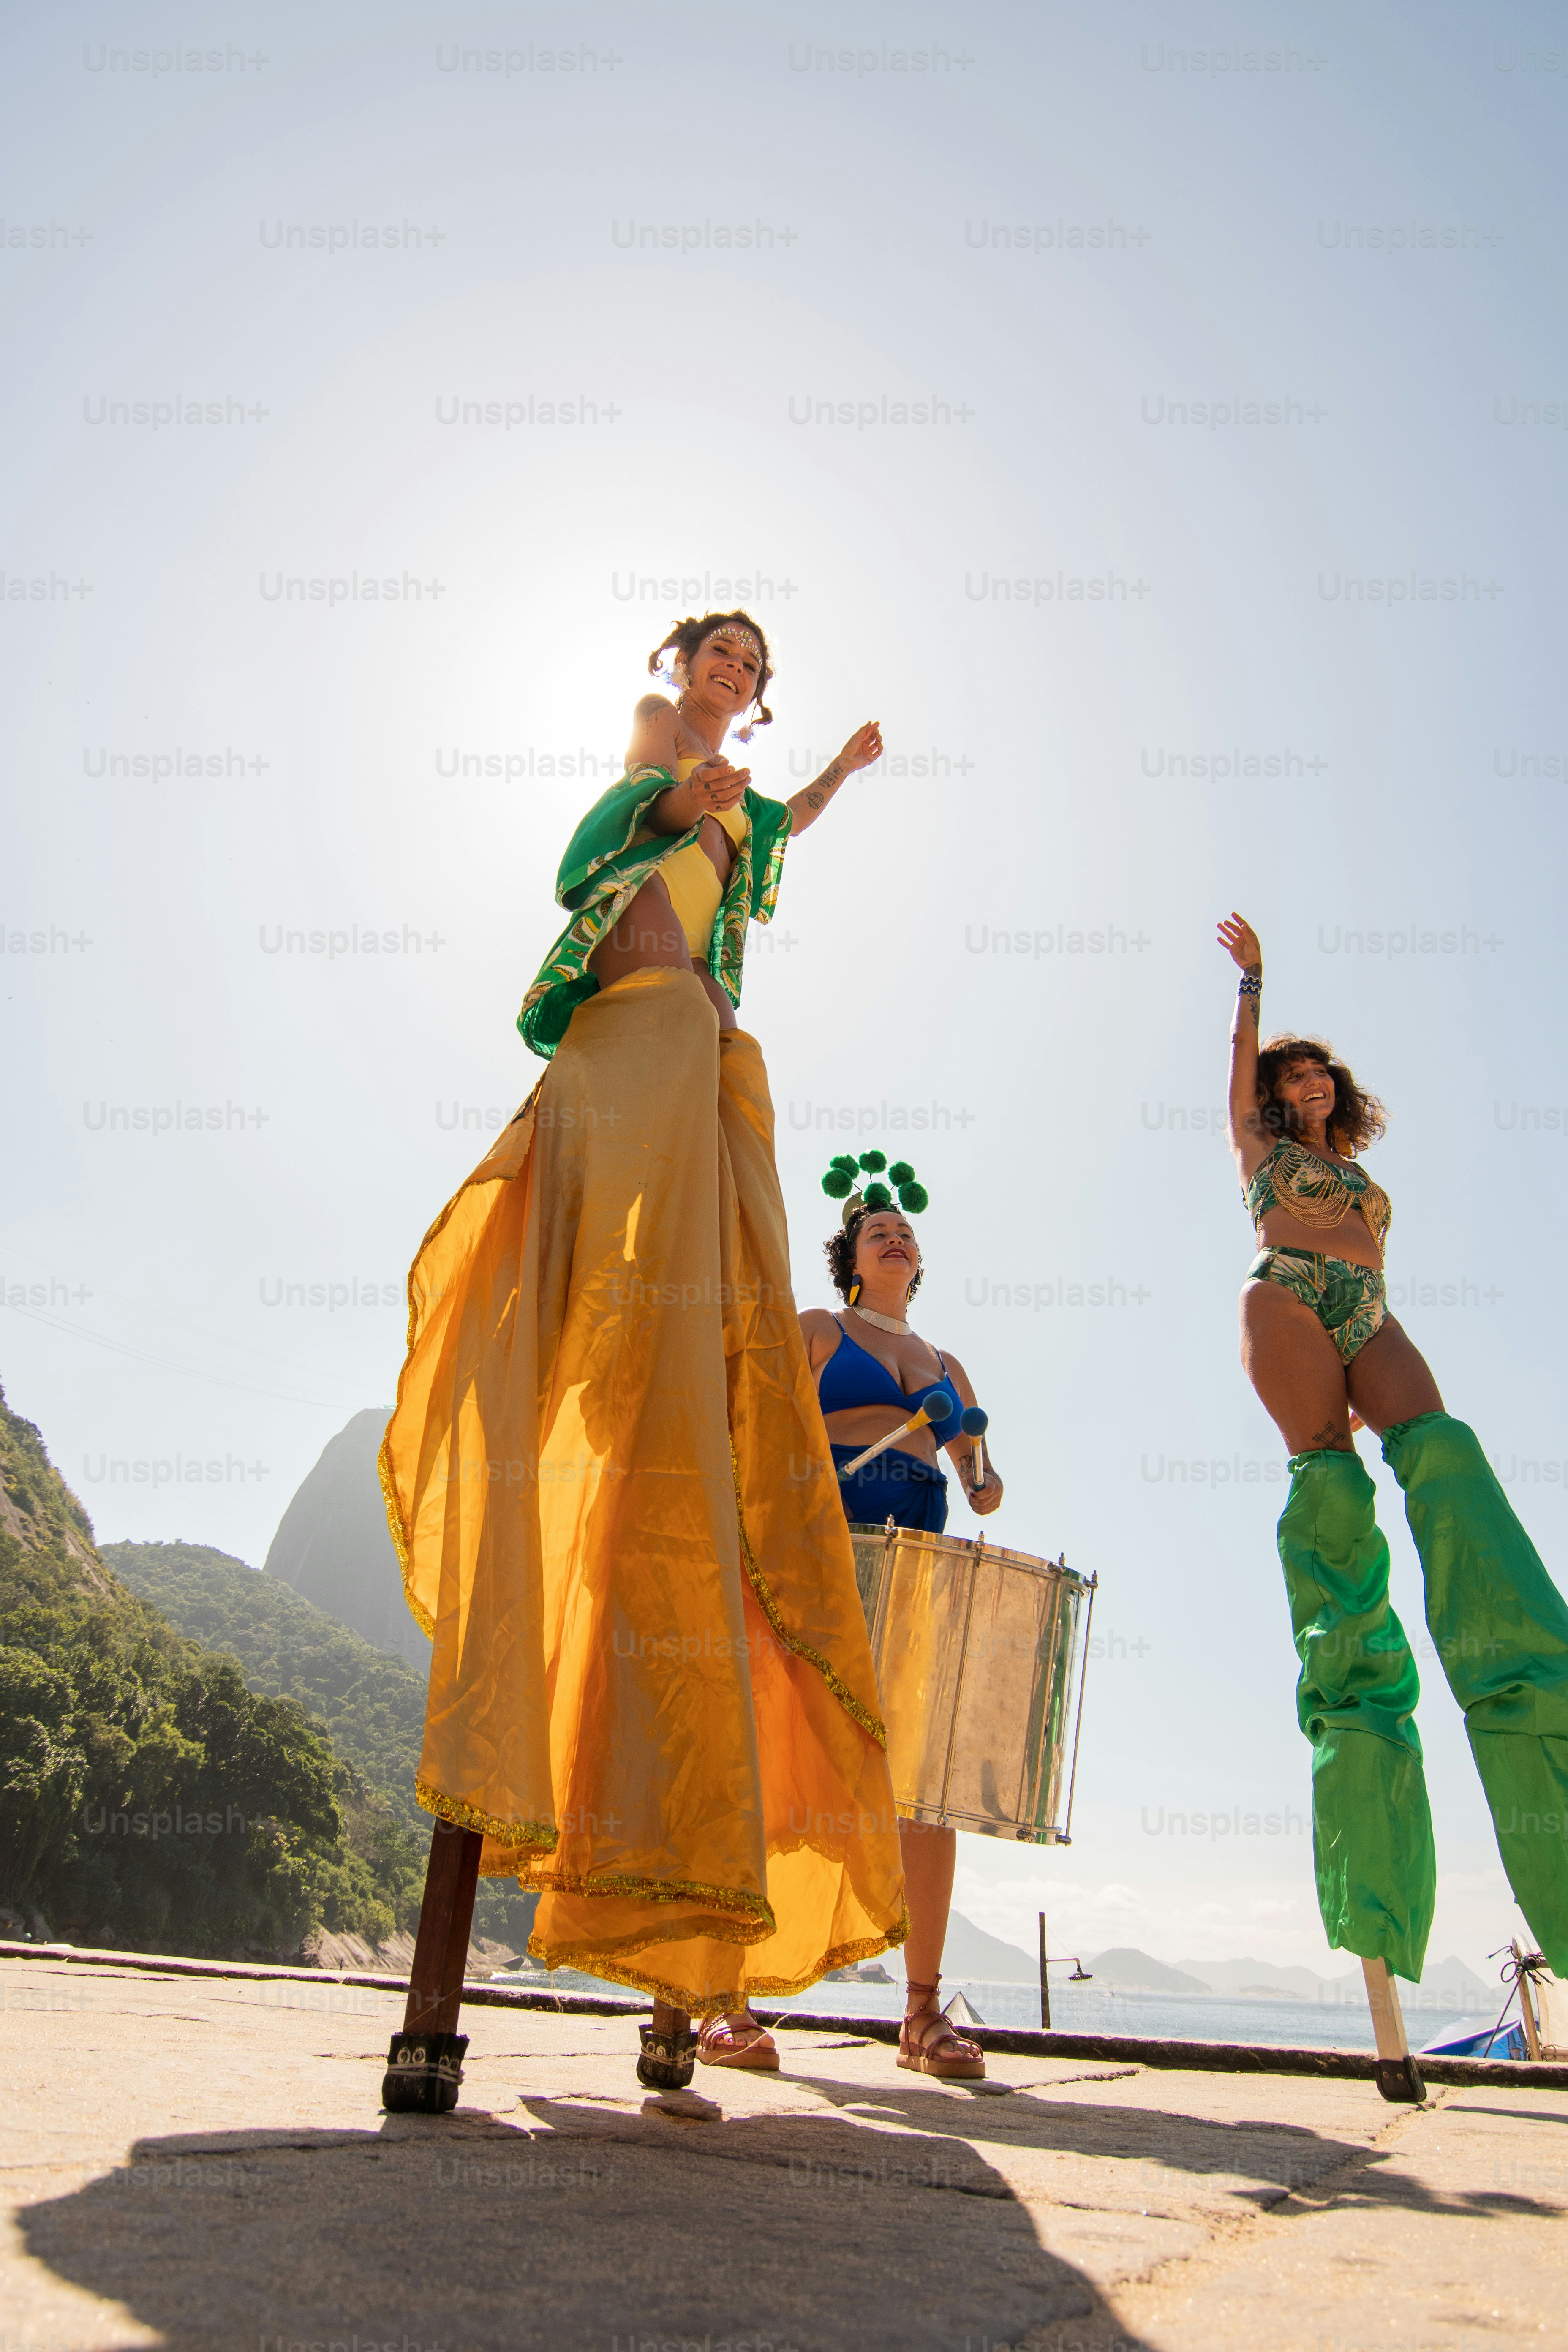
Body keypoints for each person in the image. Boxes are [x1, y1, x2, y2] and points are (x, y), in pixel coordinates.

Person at [381, 612, 907, 2093]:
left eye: (754, 666)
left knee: (695, 1405)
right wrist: (696, 790)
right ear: (684, 661)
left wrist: (836, 779)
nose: (736, 674)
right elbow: (647, 809)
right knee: (598, 1366)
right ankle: (451, 1984)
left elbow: (769, 827)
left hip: (704, 1056)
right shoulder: (661, 738)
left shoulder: (742, 795)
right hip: (623, 1038)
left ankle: (683, 1979)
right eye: (721, 653)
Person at [1219, 912, 1568, 1990]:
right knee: (1332, 1492)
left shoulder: (1358, 1168)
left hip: (1370, 1314)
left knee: (1445, 1458)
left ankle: (1531, 1703)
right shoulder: (1258, 1146)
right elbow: (1237, 1080)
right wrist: (1252, 992)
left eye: (1320, 1071)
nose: (1308, 1080)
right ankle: (1369, 1834)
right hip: (1286, 1299)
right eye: (1293, 1073)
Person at [800, 1161, 1003, 2079]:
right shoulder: (816, 1331)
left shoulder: (948, 1364)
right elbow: (757, 1428)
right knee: (781, 1751)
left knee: (921, 1780)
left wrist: (979, 1467)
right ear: (849, 1255)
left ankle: (921, 2017)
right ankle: (720, 2002)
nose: (894, 1235)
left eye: (904, 1231)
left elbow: (983, 1486)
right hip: (824, 1538)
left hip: (917, 1547)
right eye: (875, 1229)